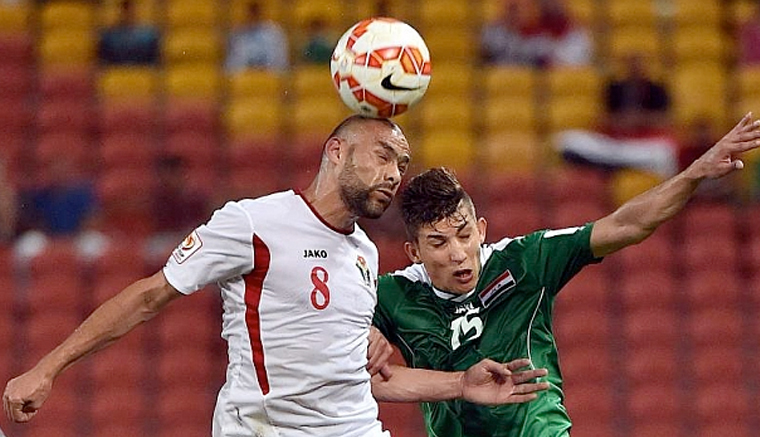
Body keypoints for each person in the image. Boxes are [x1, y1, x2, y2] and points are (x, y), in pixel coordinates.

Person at [3, 115, 549, 436]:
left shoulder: (365, 253)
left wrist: (460, 384)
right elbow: (148, 297)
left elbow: (359, 378)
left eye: (401, 165)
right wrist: (48, 369)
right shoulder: (253, 222)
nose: (393, 175)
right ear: (335, 152)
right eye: (383, 156)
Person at [372, 113, 760, 436]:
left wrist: (694, 172)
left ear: (482, 230)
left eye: (464, 234)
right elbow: (341, 357)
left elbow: (627, 224)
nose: (458, 254)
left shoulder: (526, 260)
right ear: (414, 252)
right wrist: (367, 332)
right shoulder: (389, 297)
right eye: (439, 243)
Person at [555, 52, 679, 177]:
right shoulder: (615, 87)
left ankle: (614, 166)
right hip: (616, 142)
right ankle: (619, 165)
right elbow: (604, 117)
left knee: (664, 154)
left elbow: (665, 119)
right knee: (567, 140)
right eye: (631, 63)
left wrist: (641, 119)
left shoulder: (656, 88)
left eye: (638, 63)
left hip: (645, 143)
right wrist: (621, 121)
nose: (634, 67)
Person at [225, 1, 289, 73]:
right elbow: (233, 63)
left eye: (256, 12)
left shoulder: (274, 33)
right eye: (251, 12)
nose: (253, 15)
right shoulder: (238, 34)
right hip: (244, 76)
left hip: (269, 75)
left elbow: (280, 61)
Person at [97, 0, 160, 66]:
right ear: (121, 12)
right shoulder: (109, 36)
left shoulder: (149, 36)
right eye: (126, 11)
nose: (128, 14)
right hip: (116, 73)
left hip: (142, 73)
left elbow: (153, 62)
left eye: (131, 10)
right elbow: (104, 62)